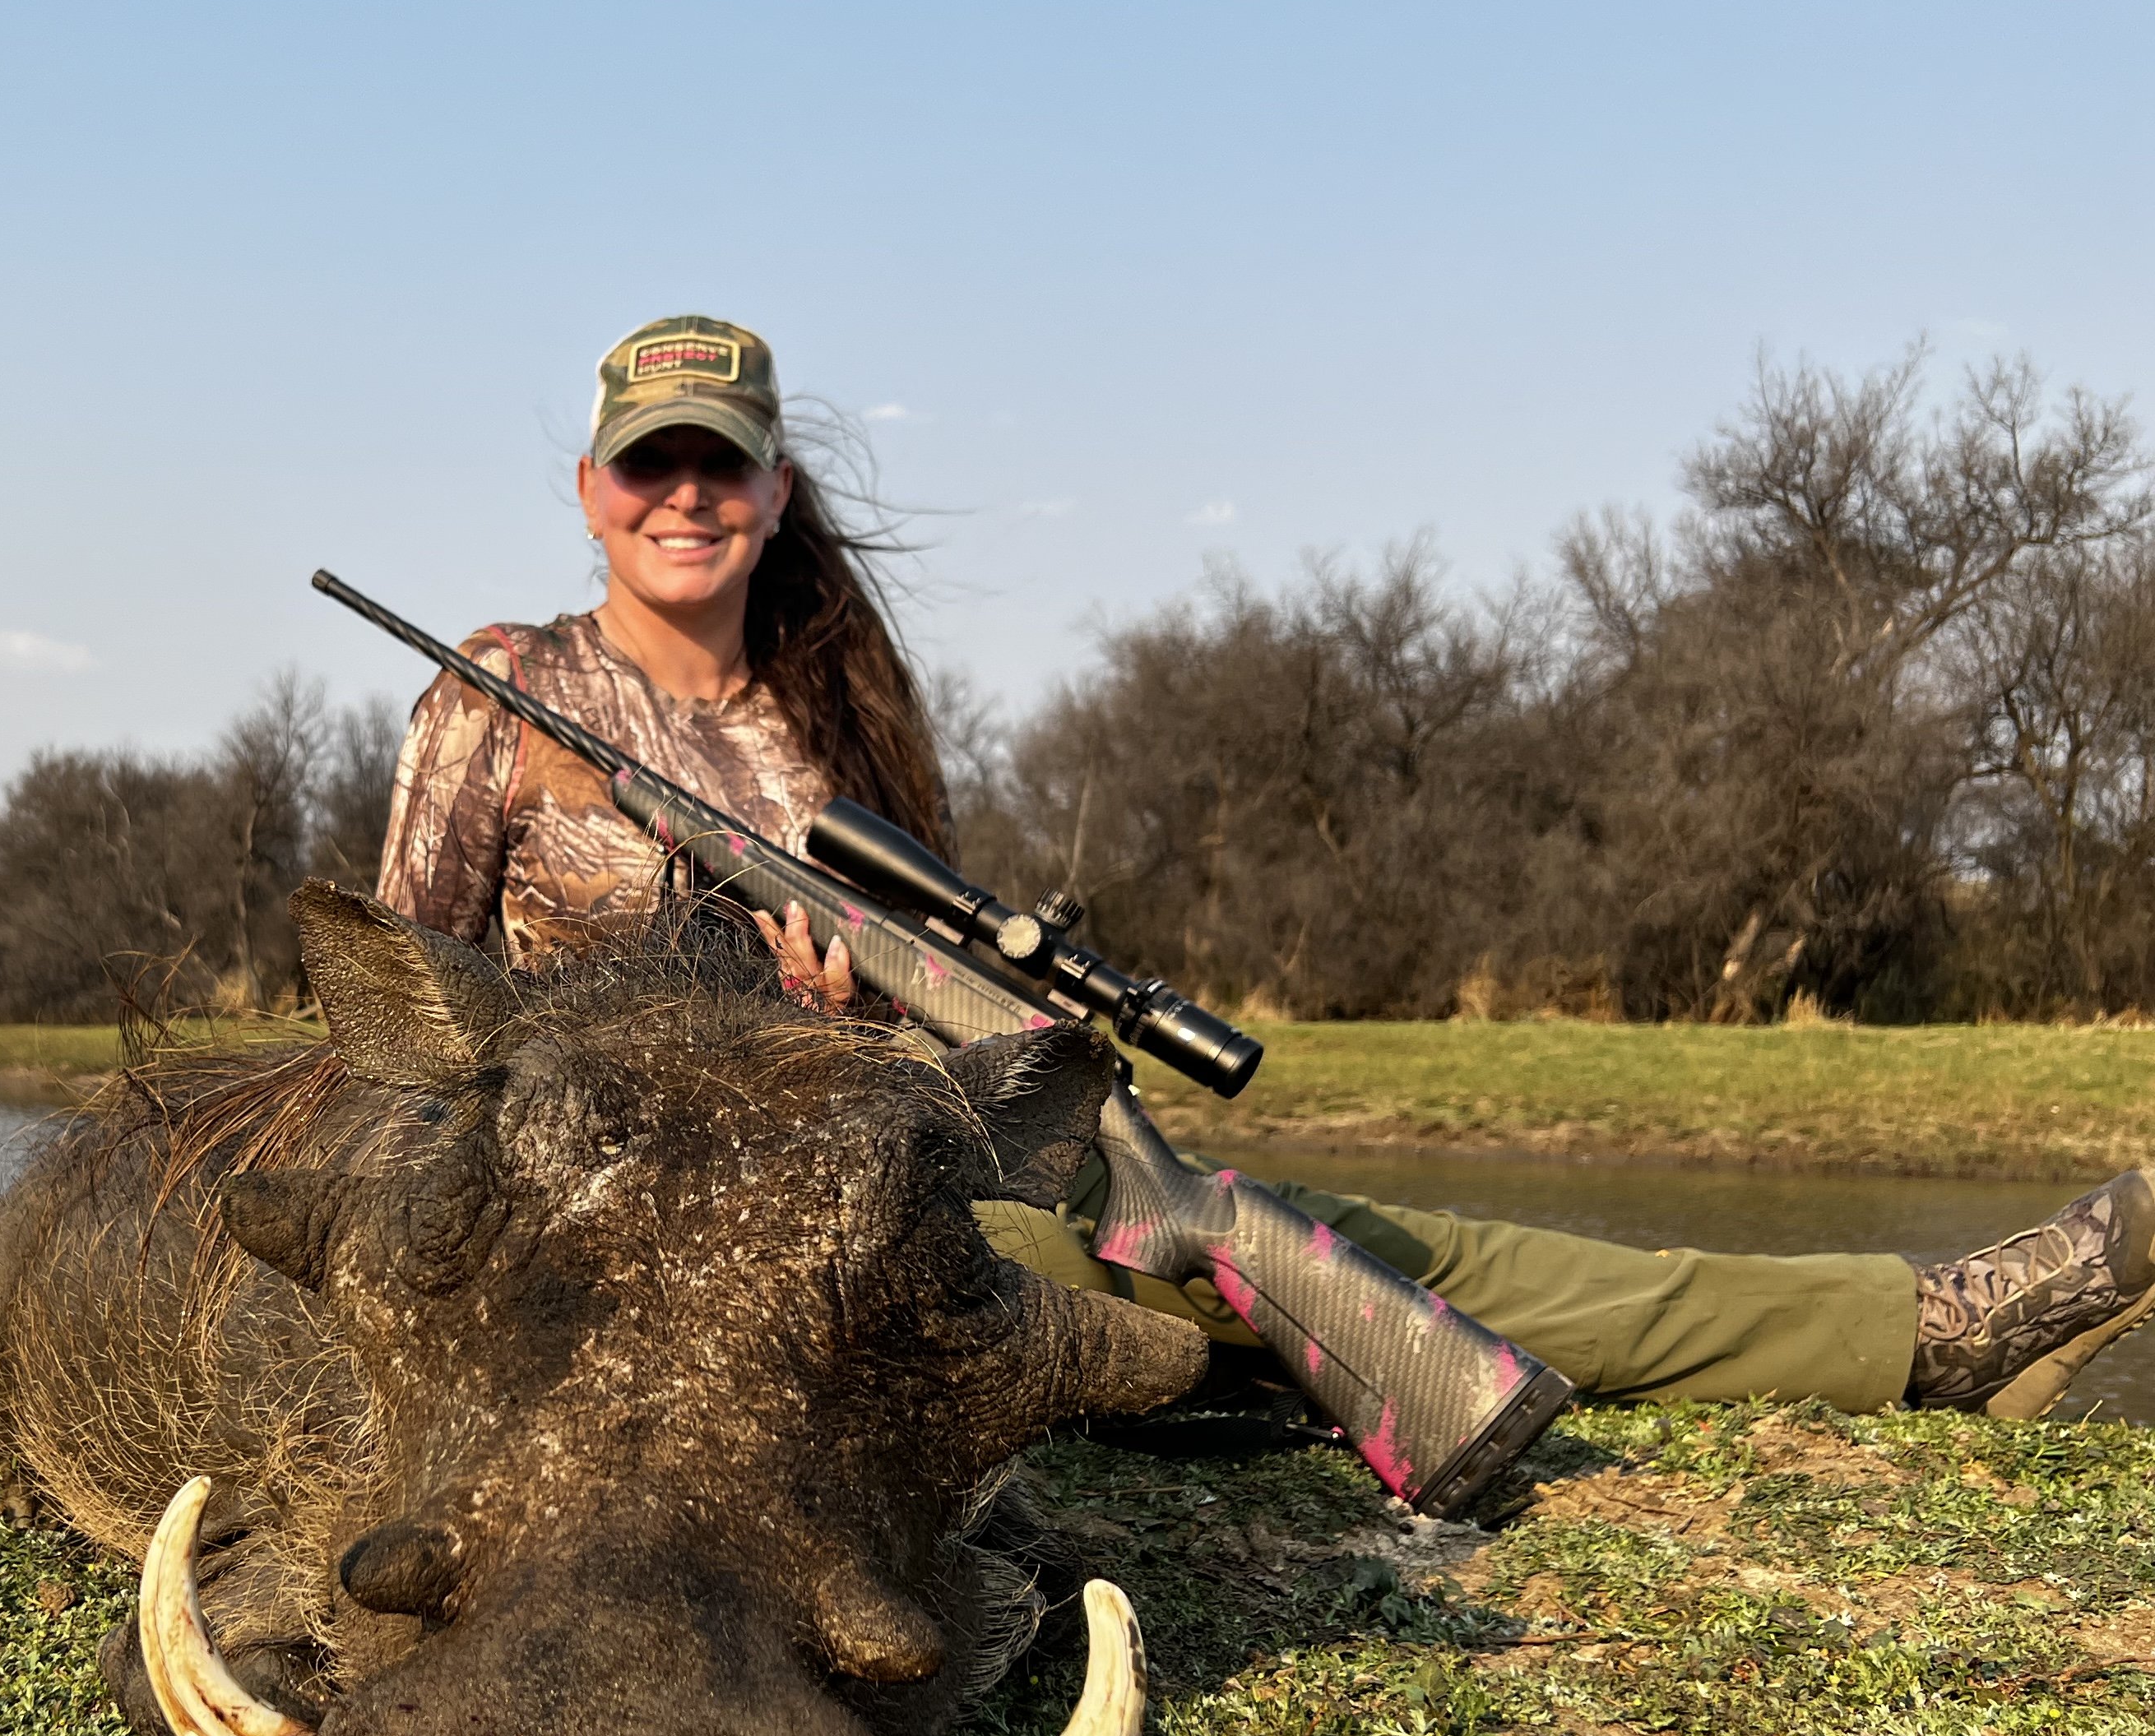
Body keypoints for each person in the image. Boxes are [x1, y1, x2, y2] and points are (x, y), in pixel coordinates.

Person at [374, 313, 2155, 1428]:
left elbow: (947, 1008)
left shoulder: (833, 734)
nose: (683, 495)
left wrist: (843, 1034)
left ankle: (1921, 1326)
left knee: (1363, 1242)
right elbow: (397, 1025)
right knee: (1117, 1284)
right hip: (654, 1233)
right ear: (591, 491)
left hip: (906, 1166)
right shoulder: (507, 691)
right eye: (647, 465)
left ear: (771, 491)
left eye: (722, 464)